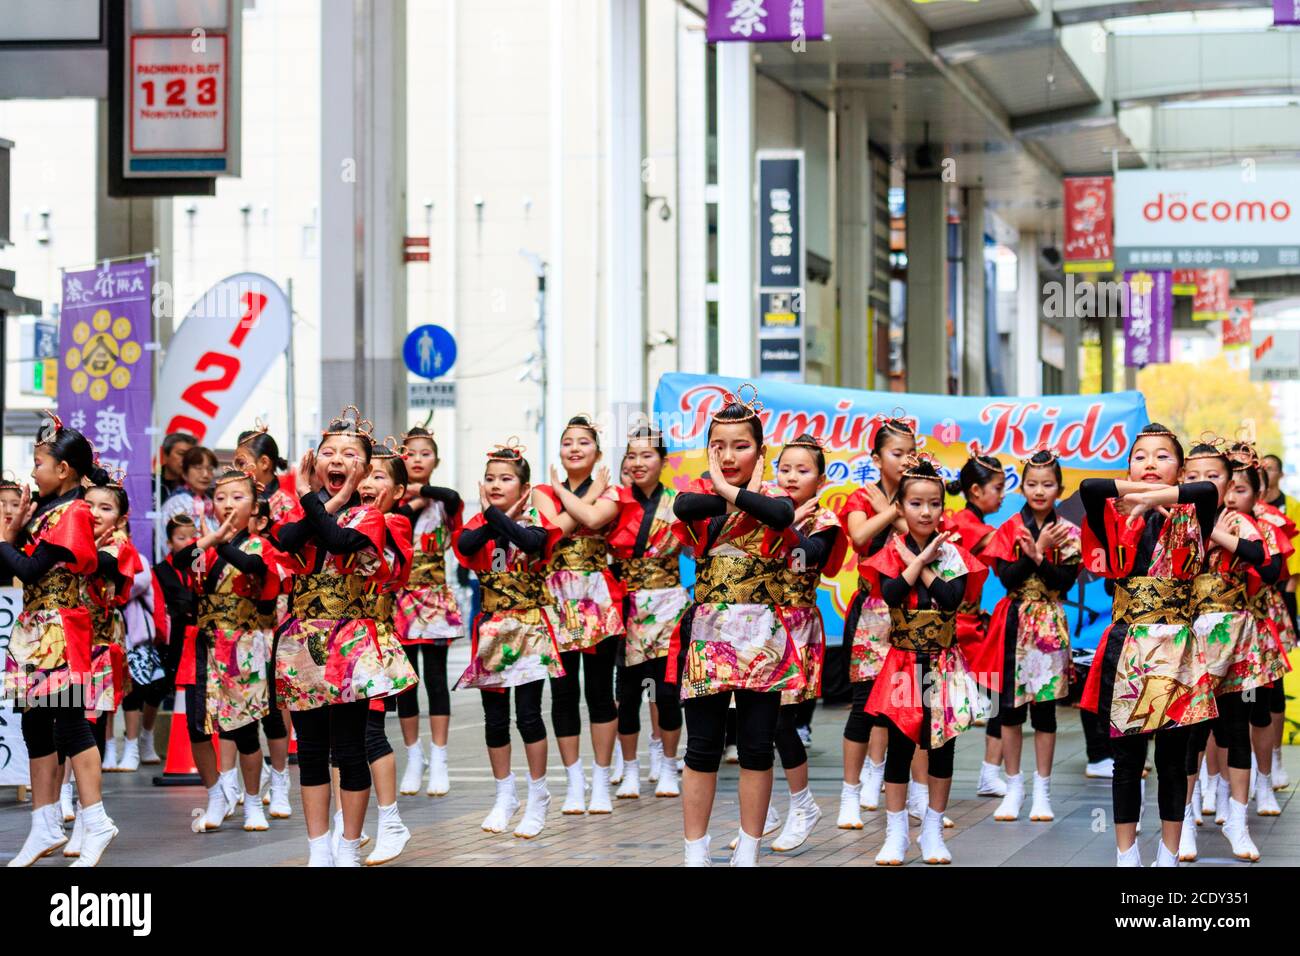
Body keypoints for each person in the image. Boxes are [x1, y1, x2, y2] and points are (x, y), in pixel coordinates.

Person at [273, 406, 420, 866]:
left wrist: (326, 500)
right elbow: (288, 538)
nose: (337, 459)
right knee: (312, 750)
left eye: (349, 454)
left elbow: (336, 542)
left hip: (350, 643)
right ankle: (319, 849)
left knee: (351, 747)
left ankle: (349, 846)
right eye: (328, 453)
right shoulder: (305, 512)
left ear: (364, 468)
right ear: (315, 463)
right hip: (304, 643)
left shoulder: (372, 517)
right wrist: (315, 499)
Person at [671, 384, 800, 867]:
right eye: (717, 446)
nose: (727, 456)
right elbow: (683, 507)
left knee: (755, 747)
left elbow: (782, 515)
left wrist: (728, 493)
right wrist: (729, 494)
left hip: (762, 638)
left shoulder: (776, 498)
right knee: (702, 747)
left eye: (740, 445)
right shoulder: (696, 498)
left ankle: (748, 849)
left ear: (762, 452)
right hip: (709, 636)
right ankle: (694, 852)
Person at [1079, 422, 1220, 866]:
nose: (1150, 463)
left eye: (1162, 456)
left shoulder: (1195, 512)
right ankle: (1127, 855)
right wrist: (1137, 494)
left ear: (1179, 468)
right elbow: (1089, 485)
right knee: (1127, 758)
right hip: (1128, 646)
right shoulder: (1113, 514)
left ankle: (1168, 853)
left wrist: (1154, 498)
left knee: (1174, 759)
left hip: (1178, 646)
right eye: (1141, 455)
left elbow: (1205, 492)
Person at [2, 418, 118, 867]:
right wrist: (13, 533)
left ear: (64, 468)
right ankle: (44, 822)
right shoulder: (50, 512)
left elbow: (29, 570)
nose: (33, 473)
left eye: (39, 463)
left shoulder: (73, 513)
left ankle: (96, 818)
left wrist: (4, 535)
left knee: (70, 723)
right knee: (34, 726)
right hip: (35, 627)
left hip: (61, 629)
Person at [865, 454, 988, 865]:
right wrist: (916, 559)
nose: (926, 510)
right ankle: (896, 831)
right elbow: (892, 594)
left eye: (934, 503)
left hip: (944, 663)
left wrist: (922, 562)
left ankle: (933, 829)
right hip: (903, 662)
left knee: (942, 748)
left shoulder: (953, 555)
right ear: (899, 508)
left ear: (943, 508)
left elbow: (953, 600)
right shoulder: (887, 553)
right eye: (916, 503)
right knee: (900, 747)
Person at [452, 438, 563, 838]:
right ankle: (504, 795)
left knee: (529, 716)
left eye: (506, 479)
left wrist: (496, 517)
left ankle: (538, 796)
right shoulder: (479, 522)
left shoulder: (535, 516)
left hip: (529, 625)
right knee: (494, 719)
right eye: (489, 478)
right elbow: (465, 546)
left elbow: (532, 542)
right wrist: (490, 517)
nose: (495, 485)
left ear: (524, 486)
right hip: (492, 628)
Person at [1175, 439, 1280, 862]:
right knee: (1190, 735)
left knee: (1236, 727)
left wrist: (1213, 531)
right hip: (1190, 640)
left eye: (1213, 477)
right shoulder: (1176, 519)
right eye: (1194, 477)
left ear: (1228, 481)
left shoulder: (1236, 520)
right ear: (1182, 480)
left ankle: (1238, 820)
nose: (1203, 484)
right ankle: (1181, 821)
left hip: (1235, 636)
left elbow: (1263, 560)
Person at [980, 447, 1081, 823]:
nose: (1040, 490)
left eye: (1048, 484)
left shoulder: (1070, 533)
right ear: (1021, 487)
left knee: (1045, 710)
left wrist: (1039, 558)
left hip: (1049, 621)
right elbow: (1006, 578)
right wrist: (1037, 551)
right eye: (1032, 484)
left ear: (1059, 488)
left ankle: (1043, 790)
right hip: (1014, 620)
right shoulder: (1010, 529)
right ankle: (1014, 786)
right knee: (1008, 709)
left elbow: (1065, 581)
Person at [532, 415, 626, 815]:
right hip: (554, 597)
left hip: (596, 597)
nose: (574, 448)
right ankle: (573, 780)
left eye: (583, 443)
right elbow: (552, 532)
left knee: (601, 691)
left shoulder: (615, 491)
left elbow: (589, 522)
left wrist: (574, 499)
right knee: (564, 693)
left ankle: (602, 779)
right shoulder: (541, 490)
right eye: (568, 441)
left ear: (598, 453)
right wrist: (578, 494)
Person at [183, 472, 286, 834]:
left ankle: (254, 801)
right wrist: (205, 544)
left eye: (238, 497)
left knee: (244, 729)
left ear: (254, 507)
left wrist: (218, 544)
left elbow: (254, 569)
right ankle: (215, 794)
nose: (228, 504)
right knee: (197, 726)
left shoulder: (260, 545)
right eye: (222, 497)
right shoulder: (205, 544)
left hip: (244, 646)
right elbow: (180, 569)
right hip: (203, 644)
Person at [333, 439, 416, 865]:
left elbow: (389, 569)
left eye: (378, 477)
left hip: (371, 641)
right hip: (336, 640)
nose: (366, 483)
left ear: (399, 491)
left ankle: (391, 820)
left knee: (369, 733)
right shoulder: (344, 516)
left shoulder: (393, 522)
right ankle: (345, 822)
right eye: (363, 474)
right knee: (338, 738)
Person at [767, 434, 847, 851]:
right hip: (755, 624)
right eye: (785, 468)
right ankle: (764, 809)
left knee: (782, 721)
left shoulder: (825, 521)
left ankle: (803, 805)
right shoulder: (762, 508)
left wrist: (787, 523)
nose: (792, 476)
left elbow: (808, 554)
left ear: (821, 477)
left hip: (795, 626)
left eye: (803, 470)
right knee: (750, 720)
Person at [836, 411, 914, 828]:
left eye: (910, 453)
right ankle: (851, 793)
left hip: (913, 613)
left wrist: (901, 508)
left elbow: (925, 532)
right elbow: (861, 536)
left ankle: (905, 791)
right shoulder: (862, 497)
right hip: (873, 610)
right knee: (864, 707)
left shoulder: (920, 493)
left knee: (908, 704)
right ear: (877, 457)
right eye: (895, 453)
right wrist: (891, 510)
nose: (904, 460)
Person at [605, 421, 690, 799]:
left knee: (666, 690)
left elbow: (697, 545)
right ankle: (631, 769)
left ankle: (668, 765)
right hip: (627, 604)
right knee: (627, 691)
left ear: (662, 460)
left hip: (669, 603)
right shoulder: (615, 501)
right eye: (632, 455)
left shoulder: (678, 503)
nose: (639, 462)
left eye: (647, 455)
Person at [393, 425, 464, 797]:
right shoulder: (390, 498)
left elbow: (452, 495)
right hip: (398, 601)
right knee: (406, 683)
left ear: (436, 460)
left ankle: (439, 757)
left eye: (425, 453)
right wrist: (410, 501)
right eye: (411, 453)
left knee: (436, 681)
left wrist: (421, 493)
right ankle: (414, 755)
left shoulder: (443, 502)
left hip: (434, 599)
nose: (417, 459)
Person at [944, 447, 1010, 806]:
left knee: (998, 697)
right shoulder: (968, 527)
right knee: (937, 704)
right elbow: (1009, 553)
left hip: (971, 625)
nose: (1002, 496)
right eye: (998, 488)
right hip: (954, 628)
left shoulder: (968, 524)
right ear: (975, 491)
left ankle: (988, 774)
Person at [161, 445, 219, 536]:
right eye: (198, 468)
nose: (205, 474)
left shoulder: (210, 501)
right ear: (184, 473)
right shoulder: (177, 503)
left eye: (210, 469)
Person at [158, 431, 197, 503]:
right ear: (165, 455)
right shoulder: (149, 484)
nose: (186, 459)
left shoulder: (198, 488)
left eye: (191, 455)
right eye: (181, 454)